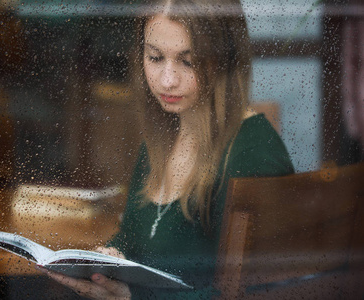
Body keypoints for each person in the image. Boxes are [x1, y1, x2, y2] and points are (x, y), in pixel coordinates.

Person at [37, 0, 295, 298]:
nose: (167, 80)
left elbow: (253, 293)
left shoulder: (254, 154)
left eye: (189, 61)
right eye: (156, 57)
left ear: (226, 59)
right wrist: (107, 262)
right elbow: (132, 240)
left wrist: (132, 296)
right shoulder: (164, 134)